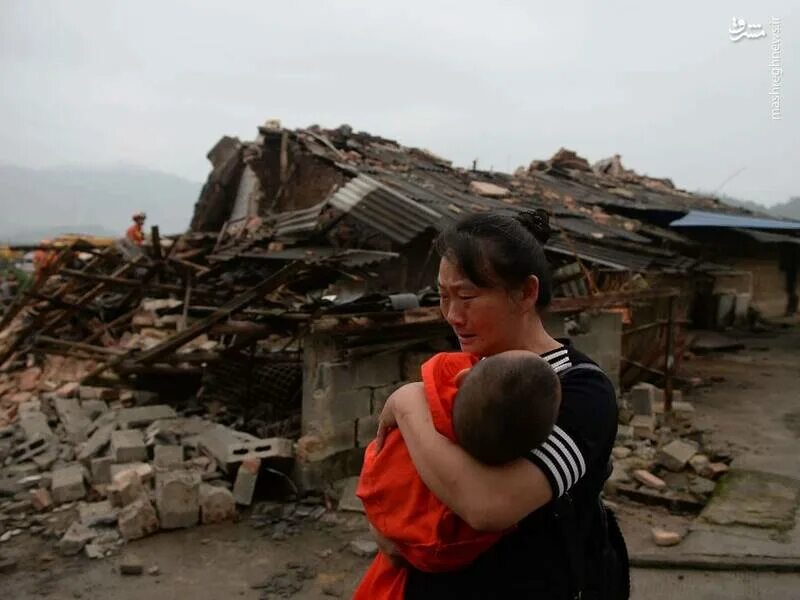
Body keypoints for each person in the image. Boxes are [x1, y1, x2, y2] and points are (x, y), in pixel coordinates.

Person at [372, 209, 628, 599]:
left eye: (468, 296)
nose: (454, 316)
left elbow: (488, 506)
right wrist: (388, 521)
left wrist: (407, 404)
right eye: (443, 297)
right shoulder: (468, 369)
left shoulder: (578, 390)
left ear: (526, 293)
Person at [354, 349, 561, 599]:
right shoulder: (504, 473)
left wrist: (406, 401)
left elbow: (375, 464)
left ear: (463, 378)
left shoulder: (420, 421)